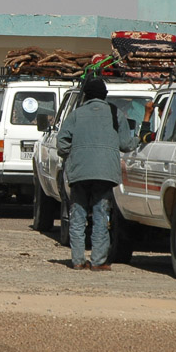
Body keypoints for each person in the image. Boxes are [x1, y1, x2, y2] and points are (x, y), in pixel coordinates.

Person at [56, 77, 137, 270]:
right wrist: (140, 139)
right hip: (105, 173)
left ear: (86, 96)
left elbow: (61, 144)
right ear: (105, 96)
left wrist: (75, 152)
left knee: (78, 216)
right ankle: (98, 261)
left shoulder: (76, 114)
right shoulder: (115, 114)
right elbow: (126, 144)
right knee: (102, 215)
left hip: (80, 172)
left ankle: (77, 261)